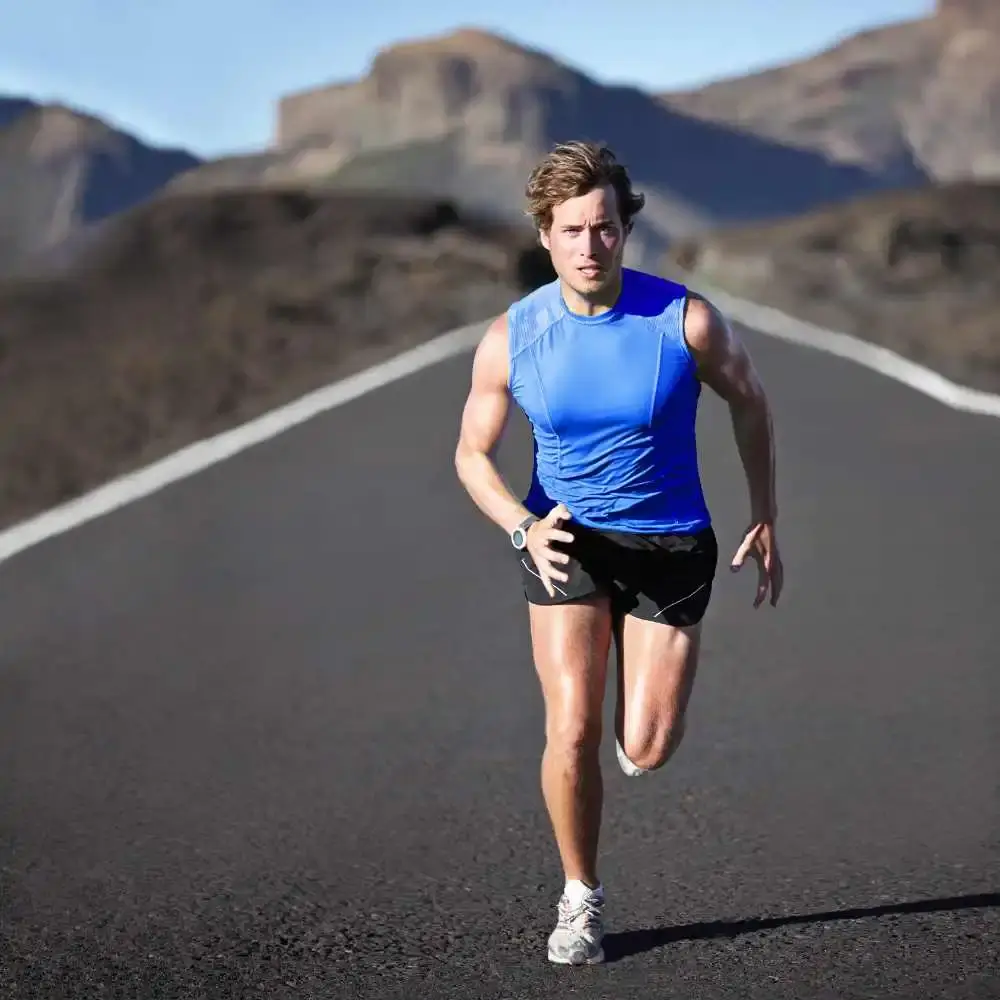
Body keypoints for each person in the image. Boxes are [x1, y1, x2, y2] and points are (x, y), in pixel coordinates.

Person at [453, 140, 783, 967]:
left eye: (604, 228)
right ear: (546, 236)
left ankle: (644, 721)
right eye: (571, 231)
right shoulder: (513, 336)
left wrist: (766, 511)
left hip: (671, 542)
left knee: (644, 746)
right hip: (564, 539)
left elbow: (750, 401)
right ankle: (580, 900)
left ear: (625, 228)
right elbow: (470, 455)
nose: (589, 247)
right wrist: (520, 527)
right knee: (570, 729)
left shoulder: (686, 321)